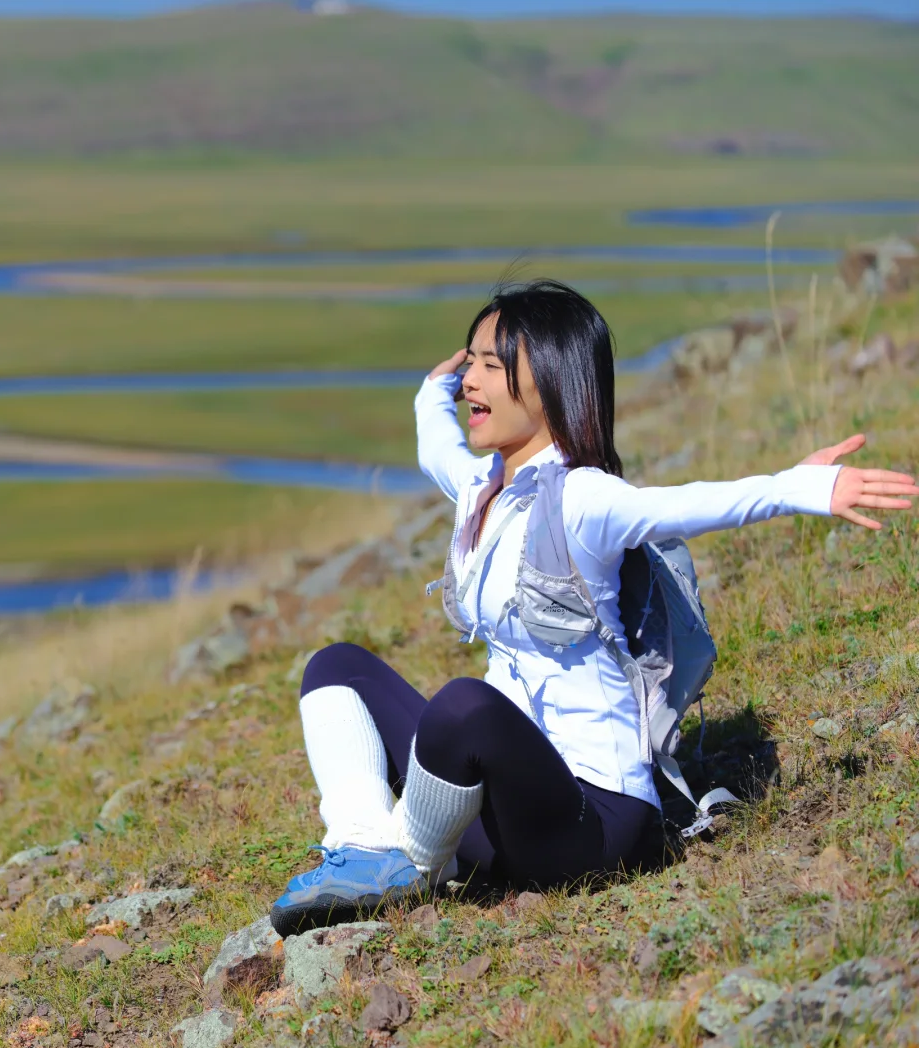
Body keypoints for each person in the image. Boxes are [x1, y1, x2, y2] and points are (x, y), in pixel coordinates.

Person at [270, 280, 918, 938]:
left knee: (462, 708)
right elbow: (435, 447)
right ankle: (356, 846)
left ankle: (405, 864)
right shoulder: (481, 490)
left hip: (592, 819)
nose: (473, 382)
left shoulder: (583, 499)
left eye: (492, 366)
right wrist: (431, 392)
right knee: (336, 667)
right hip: (506, 810)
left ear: (550, 378)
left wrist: (800, 486)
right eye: (472, 363)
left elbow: (691, 503)